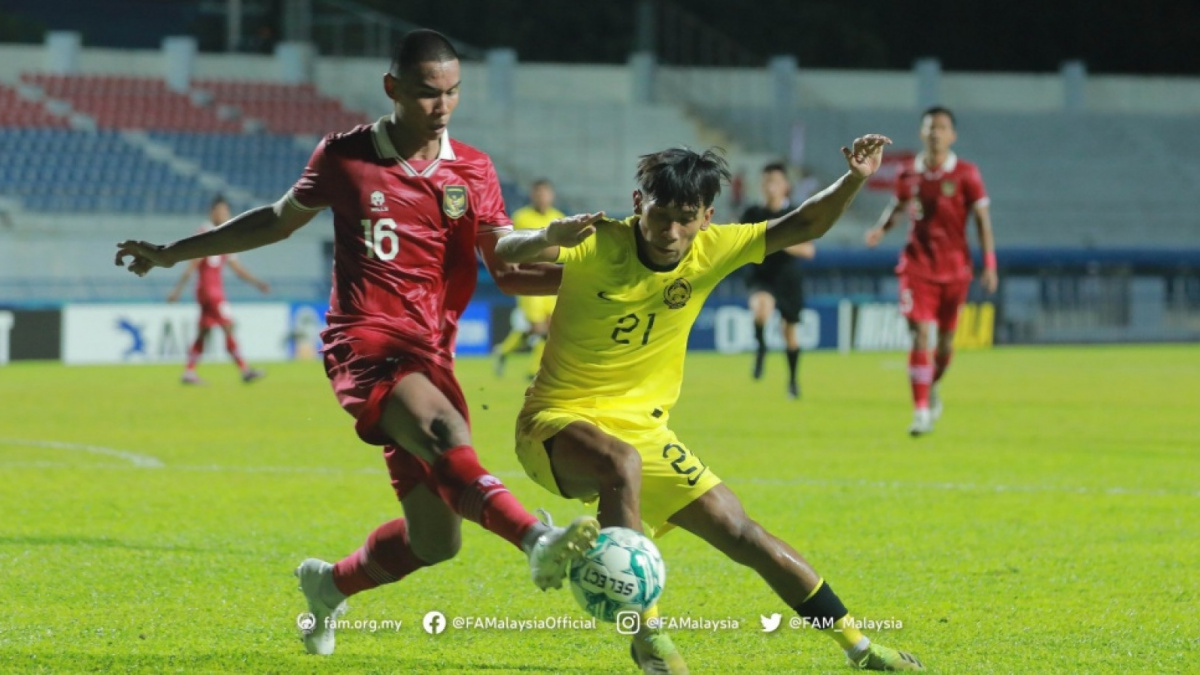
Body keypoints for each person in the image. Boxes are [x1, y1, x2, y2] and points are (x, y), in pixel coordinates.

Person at [115, 29, 599, 658]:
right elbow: (277, 219)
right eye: (428, 93)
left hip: (431, 350)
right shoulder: (345, 156)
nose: (443, 106)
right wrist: (173, 251)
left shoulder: (473, 168)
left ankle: (328, 584)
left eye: (453, 92)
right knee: (445, 434)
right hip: (364, 340)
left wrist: (562, 255)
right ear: (393, 88)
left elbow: (503, 260)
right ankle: (537, 540)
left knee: (436, 541)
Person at [496, 139, 924, 672]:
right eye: (659, 215)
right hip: (553, 424)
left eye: (685, 219)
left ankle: (860, 648)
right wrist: (544, 237)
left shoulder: (714, 247)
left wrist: (855, 178)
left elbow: (804, 225)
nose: (670, 232)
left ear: (706, 218)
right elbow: (504, 256)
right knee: (618, 464)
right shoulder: (595, 240)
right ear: (637, 202)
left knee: (742, 532)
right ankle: (647, 635)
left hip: (645, 431)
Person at [864, 106, 997, 437]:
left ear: (953, 135)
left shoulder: (967, 173)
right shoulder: (908, 174)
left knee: (946, 345)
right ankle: (920, 411)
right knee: (921, 334)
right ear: (921, 133)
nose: (935, 132)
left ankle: (930, 388)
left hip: (955, 270)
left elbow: (982, 221)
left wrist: (990, 264)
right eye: (930, 127)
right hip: (917, 266)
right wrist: (881, 229)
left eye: (942, 127)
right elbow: (897, 205)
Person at [166, 195, 269, 385]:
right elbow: (193, 264)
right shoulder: (205, 233)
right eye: (221, 211)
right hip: (210, 291)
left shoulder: (226, 235)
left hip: (209, 291)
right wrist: (177, 290)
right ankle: (245, 370)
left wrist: (257, 282)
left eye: (226, 211)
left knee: (204, 331)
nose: (224, 214)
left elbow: (236, 268)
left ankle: (189, 372)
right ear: (212, 212)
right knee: (227, 326)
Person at [740, 162, 814, 399]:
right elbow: (740, 242)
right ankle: (761, 347)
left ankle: (793, 381)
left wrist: (780, 241)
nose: (770, 186)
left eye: (775, 181)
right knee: (761, 309)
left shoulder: (795, 214)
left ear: (785, 186)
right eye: (766, 181)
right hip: (762, 276)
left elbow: (809, 251)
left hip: (788, 279)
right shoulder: (752, 214)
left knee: (789, 332)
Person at [492, 178, 565, 379]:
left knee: (549, 328)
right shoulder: (520, 217)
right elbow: (508, 245)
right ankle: (535, 371)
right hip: (528, 279)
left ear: (551, 196)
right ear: (532, 195)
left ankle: (504, 352)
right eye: (538, 193)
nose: (542, 197)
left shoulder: (558, 218)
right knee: (538, 328)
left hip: (549, 279)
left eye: (545, 193)